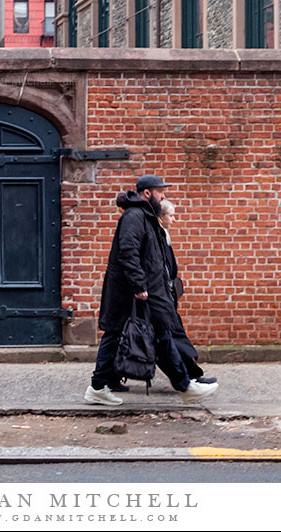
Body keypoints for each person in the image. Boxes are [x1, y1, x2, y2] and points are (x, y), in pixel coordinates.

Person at [84, 174, 219, 406]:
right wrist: (139, 286)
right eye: (160, 191)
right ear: (147, 193)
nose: (163, 195)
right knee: (118, 336)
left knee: (158, 336)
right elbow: (129, 252)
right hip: (134, 295)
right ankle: (183, 386)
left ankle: (184, 385)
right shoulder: (135, 216)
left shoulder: (144, 216)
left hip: (148, 293)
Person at [157, 198, 216, 387]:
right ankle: (189, 377)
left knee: (170, 336)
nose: (174, 219)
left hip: (165, 295)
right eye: (171, 215)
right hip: (160, 296)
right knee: (171, 336)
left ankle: (191, 375)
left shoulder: (163, 234)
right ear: (161, 216)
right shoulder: (158, 235)